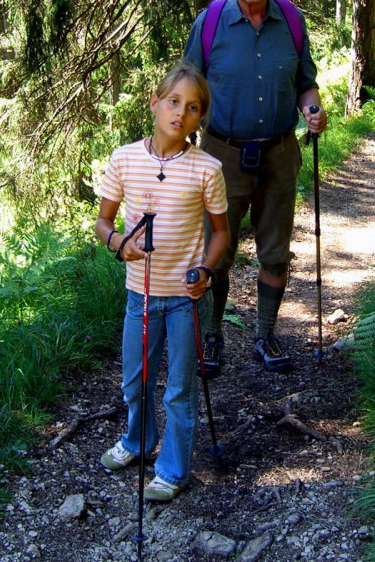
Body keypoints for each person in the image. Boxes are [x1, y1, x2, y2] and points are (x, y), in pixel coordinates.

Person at [183, 0, 328, 376]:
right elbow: (186, 88)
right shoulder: (210, 25)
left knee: (275, 252)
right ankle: (213, 335)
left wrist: (313, 110)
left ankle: (264, 335)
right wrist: (177, 145)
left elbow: (305, 82)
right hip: (221, 156)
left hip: (280, 153)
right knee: (216, 252)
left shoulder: (291, 21)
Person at [95, 64, 229, 502]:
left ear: (199, 118)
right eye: (173, 102)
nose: (180, 113)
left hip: (186, 299)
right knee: (135, 380)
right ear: (154, 103)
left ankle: (172, 469)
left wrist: (206, 271)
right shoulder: (124, 158)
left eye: (193, 108)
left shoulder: (206, 168)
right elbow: (103, 221)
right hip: (141, 294)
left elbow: (221, 233)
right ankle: (137, 441)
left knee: (179, 389)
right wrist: (118, 243)